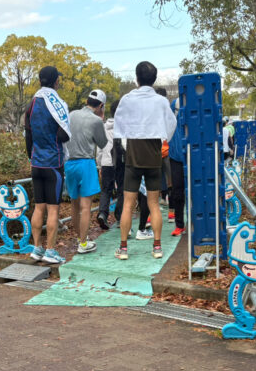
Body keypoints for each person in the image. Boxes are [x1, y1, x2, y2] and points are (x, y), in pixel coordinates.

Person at [113, 61, 177, 260]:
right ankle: (157, 247)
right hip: (154, 154)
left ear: (137, 78)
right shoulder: (160, 101)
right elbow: (171, 125)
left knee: (128, 205)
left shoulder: (127, 99)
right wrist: (161, 137)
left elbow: (118, 124)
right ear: (154, 79)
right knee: (154, 204)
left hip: (133, 153)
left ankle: (123, 249)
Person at [24, 65, 70, 265]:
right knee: (53, 210)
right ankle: (50, 251)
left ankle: (36, 248)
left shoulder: (32, 104)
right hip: (53, 164)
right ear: (55, 81)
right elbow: (63, 135)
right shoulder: (58, 104)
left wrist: (32, 156)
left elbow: (28, 135)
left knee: (38, 208)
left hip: (36, 163)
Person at [65, 89, 109, 253]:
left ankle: (79, 238)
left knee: (74, 206)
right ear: (101, 106)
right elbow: (103, 143)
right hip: (86, 163)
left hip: (69, 164)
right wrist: (101, 120)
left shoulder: (72, 114)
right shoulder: (96, 121)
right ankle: (83, 243)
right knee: (85, 207)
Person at [96, 100, 118, 230]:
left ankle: (103, 214)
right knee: (121, 190)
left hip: (106, 162)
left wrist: (100, 165)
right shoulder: (123, 126)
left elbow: (99, 147)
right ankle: (120, 216)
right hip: (120, 162)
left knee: (106, 190)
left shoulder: (103, 127)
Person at [167, 99, 186, 236]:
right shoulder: (172, 108)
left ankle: (194, 223)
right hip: (175, 158)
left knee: (195, 191)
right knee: (177, 192)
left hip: (193, 157)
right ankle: (179, 224)